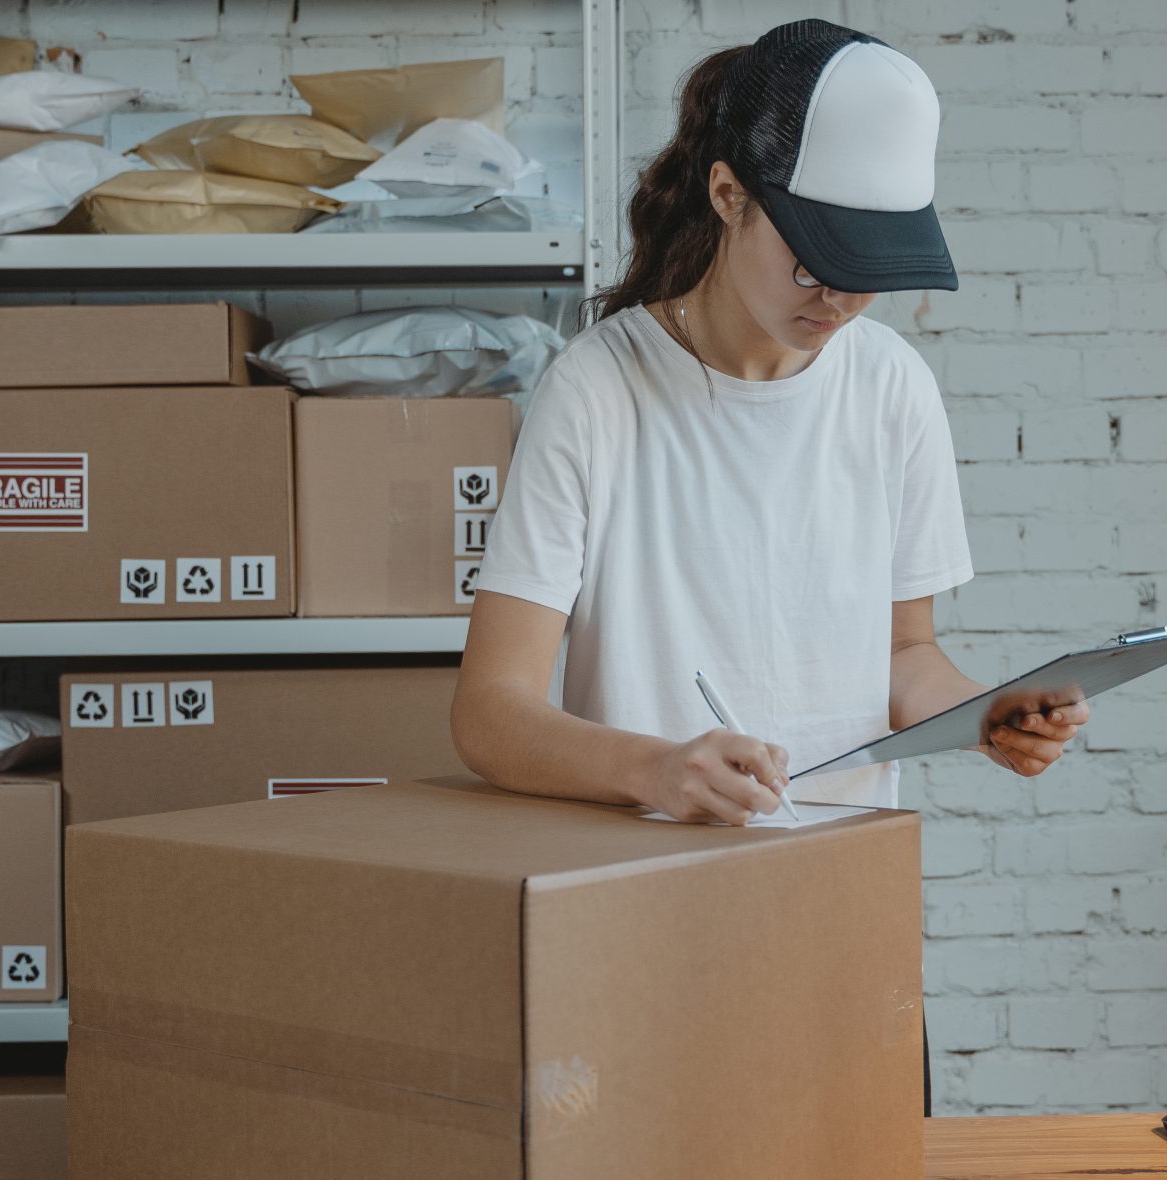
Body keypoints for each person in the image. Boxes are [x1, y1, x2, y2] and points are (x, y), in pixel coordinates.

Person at [452, 18, 1090, 828]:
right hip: (644, 880)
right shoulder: (597, 391)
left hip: (835, 872)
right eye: (815, 259)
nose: (840, 299)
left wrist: (987, 713)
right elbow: (488, 713)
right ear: (729, 195)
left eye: (869, 271)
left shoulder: (892, 387)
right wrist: (659, 769)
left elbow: (903, 655)